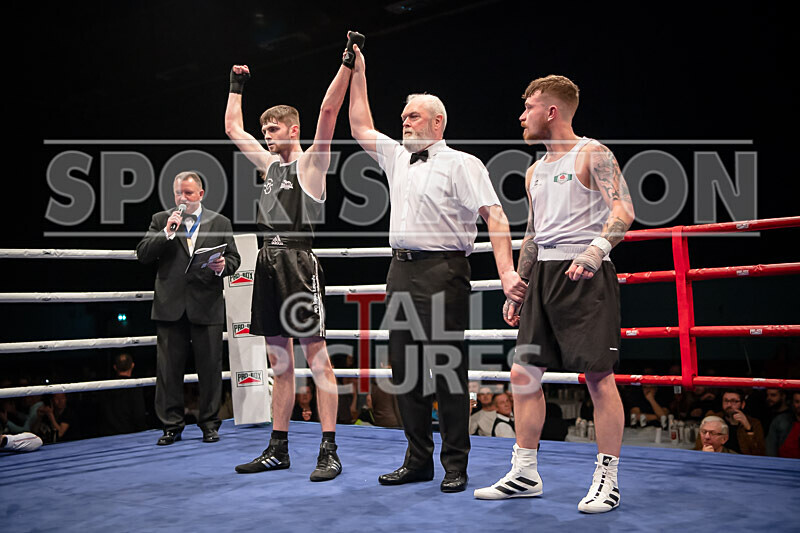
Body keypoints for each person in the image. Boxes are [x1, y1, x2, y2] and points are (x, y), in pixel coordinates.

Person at [348, 43, 526, 493]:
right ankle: (417, 460)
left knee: (445, 369)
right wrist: (358, 68)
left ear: (436, 123)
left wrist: (506, 273)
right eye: (403, 116)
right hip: (401, 270)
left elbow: (497, 217)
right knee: (406, 370)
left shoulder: (461, 163)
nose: (403, 122)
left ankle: (455, 464)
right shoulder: (396, 157)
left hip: (445, 269)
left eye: (412, 117)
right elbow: (358, 124)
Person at [474, 75, 635, 514]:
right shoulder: (534, 170)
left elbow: (624, 208)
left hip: (586, 275)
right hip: (543, 276)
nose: (520, 115)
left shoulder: (593, 153)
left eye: (527, 107)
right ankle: (525, 472)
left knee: (599, 378)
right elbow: (533, 233)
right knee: (523, 375)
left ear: (551, 111)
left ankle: (608, 480)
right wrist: (517, 288)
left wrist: (596, 249)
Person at [225, 44, 352, 482]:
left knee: (318, 360)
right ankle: (278, 447)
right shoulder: (269, 167)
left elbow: (330, 110)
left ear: (293, 129)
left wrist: (347, 64)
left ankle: (329, 449)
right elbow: (232, 129)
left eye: (274, 129)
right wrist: (236, 85)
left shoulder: (311, 164)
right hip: (266, 261)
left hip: (298, 262)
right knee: (279, 363)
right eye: (265, 130)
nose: (267, 136)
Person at [136, 172, 241, 446]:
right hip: (170, 306)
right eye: (178, 194)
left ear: (201, 194)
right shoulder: (162, 220)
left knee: (210, 368)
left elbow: (234, 258)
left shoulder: (220, 222)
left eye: (188, 193)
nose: (182, 199)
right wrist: (166, 234)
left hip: (206, 303)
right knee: (168, 370)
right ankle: (171, 426)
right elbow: (143, 253)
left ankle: (209, 424)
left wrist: (223, 266)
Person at [696, 389, 765, 456]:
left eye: (734, 401)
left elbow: (759, 453)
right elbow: (699, 446)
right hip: (717, 458)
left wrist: (748, 428)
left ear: (742, 404)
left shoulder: (754, 423)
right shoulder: (713, 419)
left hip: (743, 462)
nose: (729, 405)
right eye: (726, 401)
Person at [99, 353, 149, 436]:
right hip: (131, 434)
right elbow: (139, 415)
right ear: (132, 365)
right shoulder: (135, 386)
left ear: (115, 367)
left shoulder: (106, 387)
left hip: (108, 435)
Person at [765, 391, 800, 458]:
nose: (799, 405)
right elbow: (771, 445)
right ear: (792, 402)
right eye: (797, 402)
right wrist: (772, 463)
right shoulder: (780, 420)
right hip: (782, 463)